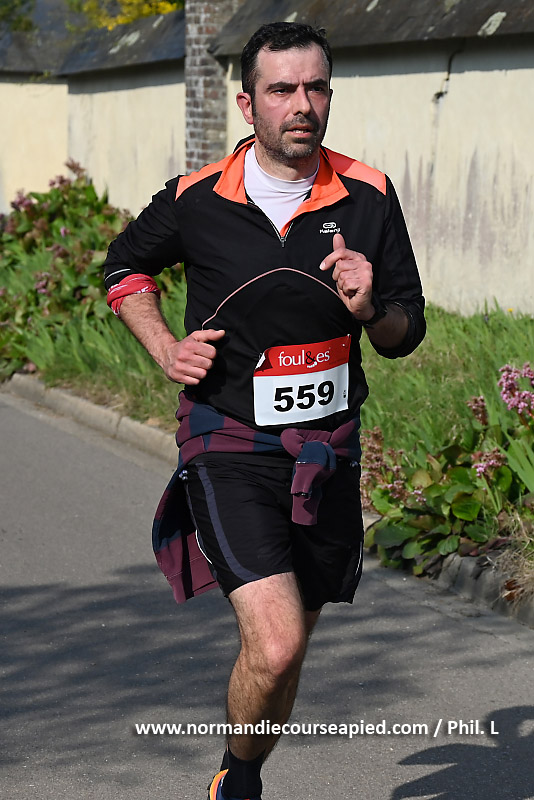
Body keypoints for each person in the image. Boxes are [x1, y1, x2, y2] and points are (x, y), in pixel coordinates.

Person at [103, 21, 426, 800]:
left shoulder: (370, 194)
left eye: (316, 87)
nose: (302, 104)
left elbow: (405, 331)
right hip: (228, 441)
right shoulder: (196, 199)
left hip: (327, 451)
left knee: (288, 649)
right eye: (282, 89)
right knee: (276, 645)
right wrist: (164, 348)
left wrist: (369, 307)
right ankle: (242, 787)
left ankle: (236, 770)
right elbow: (124, 269)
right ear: (249, 104)